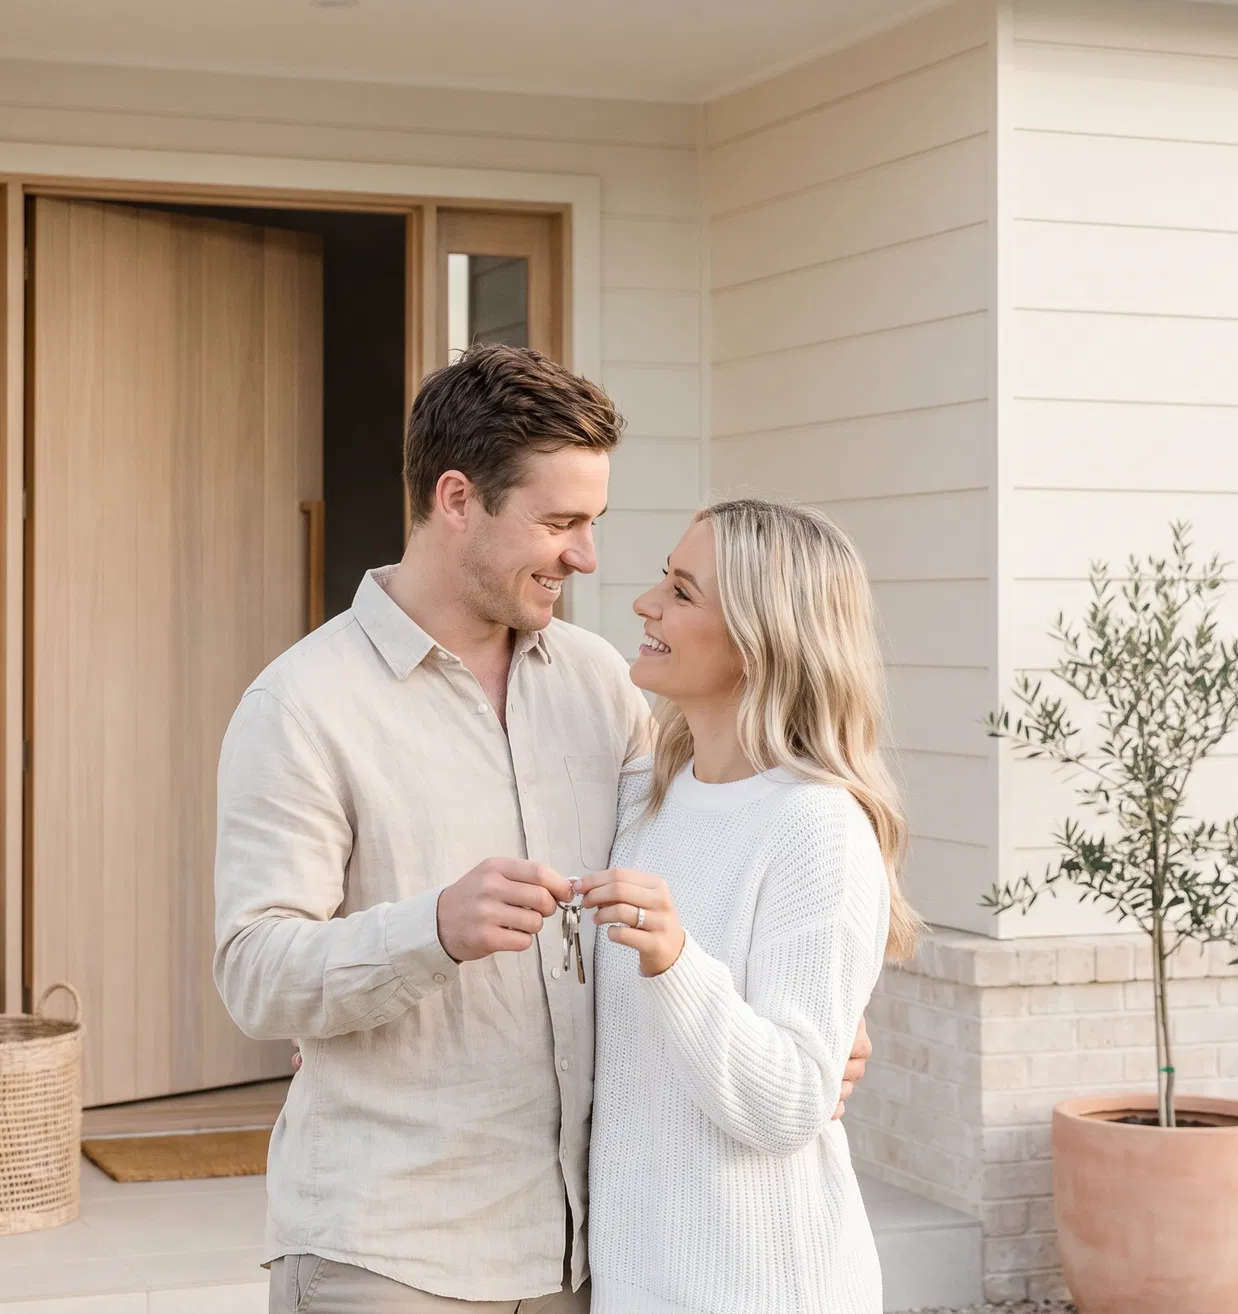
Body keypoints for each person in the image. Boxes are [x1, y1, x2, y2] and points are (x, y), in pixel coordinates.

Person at [213, 346, 870, 1314]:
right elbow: (254, 973)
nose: (586, 556)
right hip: (390, 1255)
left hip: (584, 1256)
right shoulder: (303, 706)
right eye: (560, 523)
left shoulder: (604, 685)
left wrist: (814, 1019)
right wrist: (431, 930)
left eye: (592, 523)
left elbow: (717, 847)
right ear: (457, 499)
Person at [580, 500, 919, 1314]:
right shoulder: (643, 802)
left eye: (682, 592)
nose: (646, 604)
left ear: (759, 640)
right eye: (663, 579)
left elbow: (791, 1104)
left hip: (764, 1288)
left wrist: (676, 962)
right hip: (635, 1285)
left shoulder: (817, 826)